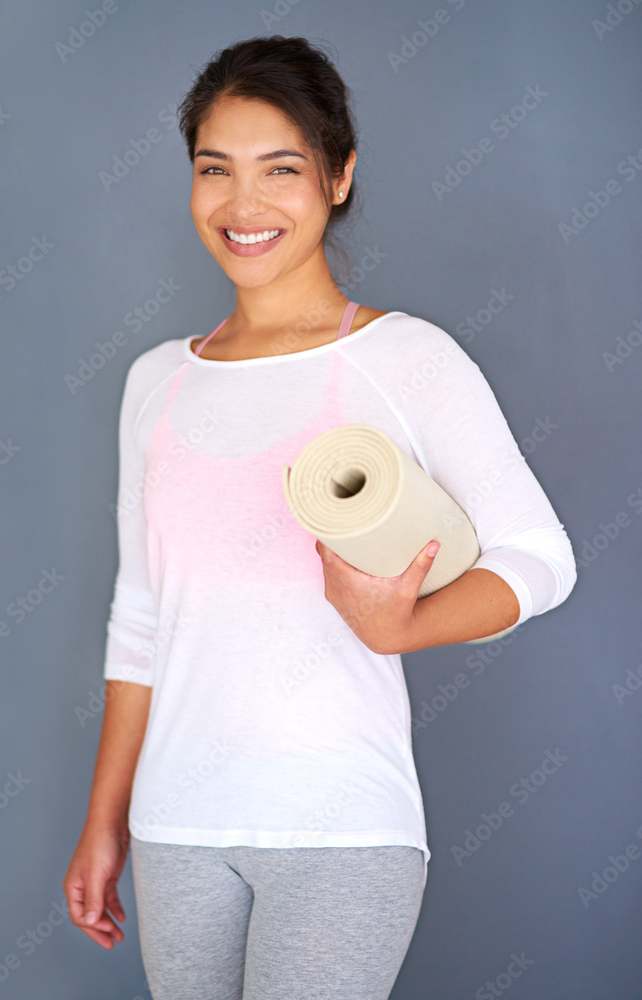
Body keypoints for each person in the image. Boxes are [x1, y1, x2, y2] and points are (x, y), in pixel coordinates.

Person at [62, 34, 576, 1000]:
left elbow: (542, 557)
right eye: (214, 170)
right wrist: (106, 820)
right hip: (178, 828)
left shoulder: (405, 358)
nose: (241, 206)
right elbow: (140, 619)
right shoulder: (156, 383)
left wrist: (405, 623)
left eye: (281, 170)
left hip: (340, 826)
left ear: (338, 178)